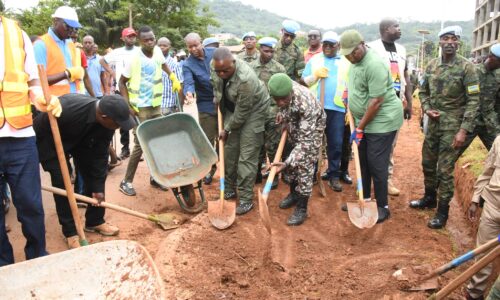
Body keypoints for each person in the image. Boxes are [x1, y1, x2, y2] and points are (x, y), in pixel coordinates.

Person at [35, 94, 133, 249]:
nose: (119, 127)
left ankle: (95, 221)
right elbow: (39, 128)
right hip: (51, 140)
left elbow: (99, 158)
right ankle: (70, 232)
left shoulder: (107, 125)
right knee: (62, 181)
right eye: (118, 123)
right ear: (104, 116)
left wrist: (98, 189)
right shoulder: (68, 109)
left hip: (82, 141)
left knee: (94, 175)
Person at [0, 15, 59, 266]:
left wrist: (41, 98)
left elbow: (32, 80)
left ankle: (37, 258)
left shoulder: (16, 33)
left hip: (20, 137)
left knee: (31, 205)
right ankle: (4, 266)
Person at [409, 26, 480, 229]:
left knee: (445, 170)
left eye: (453, 39)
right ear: (440, 42)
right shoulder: (431, 66)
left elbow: (474, 101)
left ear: (458, 43)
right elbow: (423, 91)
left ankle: (442, 212)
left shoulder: (468, 68)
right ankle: (429, 198)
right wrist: (427, 108)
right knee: (428, 164)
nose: (449, 42)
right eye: (445, 39)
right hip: (433, 124)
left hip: (453, 127)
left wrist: (463, 131)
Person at [339, 29, 403, 224]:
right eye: (347, 53)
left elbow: (376, 101)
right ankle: (364, 198)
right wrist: (347, 93)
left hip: (382, 121)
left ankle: (383, 206)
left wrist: (360, 128)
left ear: (363, 44)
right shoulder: (355, 61)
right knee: (363, 161)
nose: (351, 56)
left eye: (354, 52)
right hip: (365, 121)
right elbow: (355, 83)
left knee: (376, 163)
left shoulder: (374, 64)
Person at [118, 26, 181, 197]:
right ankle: (126, 182)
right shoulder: (134, 58)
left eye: (152, 39)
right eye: (146, 40)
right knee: (140, 145)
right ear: (140, 41)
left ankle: (156, 177)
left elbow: (164, 65)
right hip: (140, 108)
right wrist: (128, 105)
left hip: (155, 105)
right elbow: (121, 83)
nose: (150, 42)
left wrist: (173, 77)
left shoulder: (158, 53)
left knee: (158, 142)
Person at [211, 47, 269, 215]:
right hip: (233, 107)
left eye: (226, 70)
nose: (221, 73)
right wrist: (217, 96)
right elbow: (215, 83)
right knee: (229, 150)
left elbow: (243, 112)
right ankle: (228, 189)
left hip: (254, 111)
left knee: (246, 155)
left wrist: (227, 128)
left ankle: (245, 198)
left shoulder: (245, 80)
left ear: (234, 63)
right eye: (218, 71)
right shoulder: (215, 64)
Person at [268, 73, 326, 226]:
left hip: (312, 130)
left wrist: (286, 163)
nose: (280, 102)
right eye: (277, 100)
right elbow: (284, 104)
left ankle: (302, 208)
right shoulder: (281, 85)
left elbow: (305, 142)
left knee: (304, 165)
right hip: (295, 121)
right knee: (291, 158)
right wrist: (283, 114)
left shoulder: (306, 104)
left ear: (290, 93)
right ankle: (294, 194)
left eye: (283, 99)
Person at [368, 18, 412, 197]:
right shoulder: (372, 48)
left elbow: (406, 76)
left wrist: (409, 102)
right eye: (396, 26)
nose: (400, 29)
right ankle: (366, 180)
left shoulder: (401, 50)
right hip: (376, 103)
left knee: (390, 145)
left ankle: (386, 180)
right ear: (386, 29)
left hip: (395, 104)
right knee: (371, 144)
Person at [301, 31, 350, 192]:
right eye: (325, 45)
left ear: (338, 46)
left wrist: (349, 109)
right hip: (316, 108)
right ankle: (313, 172)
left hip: (337, 108)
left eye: (331, 45)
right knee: (314, 142)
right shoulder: (315, 60)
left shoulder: (346, 62)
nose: (327, 48)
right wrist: (314, 76)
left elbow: (351, 86)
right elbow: (303, 82)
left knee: (335, 144)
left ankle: (334, 175)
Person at [465, 135, 500, 300]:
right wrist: (475, 199)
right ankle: (474, 293)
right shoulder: (499, 140)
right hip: (492, 206)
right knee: (483, 255)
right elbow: (487, 171)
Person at [249, 37, 286, 189]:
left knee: (272, 146)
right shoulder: (250, 67)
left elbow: (285, 93)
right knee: (255, 145)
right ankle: (256, 173)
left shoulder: (279, 69)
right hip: (255, 112)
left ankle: (274, 175)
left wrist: (282, 112)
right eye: (266, 51)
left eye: (272, 51)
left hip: (273, 112)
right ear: (259, 49)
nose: (269, 54)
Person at [183, 32, 218, 185]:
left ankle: (230, 171)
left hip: (225, 100)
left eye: (195, 45)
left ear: (201, 43)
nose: (193, 49)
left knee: (227, 137)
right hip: (206, 103)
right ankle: (209, 169)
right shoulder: (187, 64)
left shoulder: (215, 53)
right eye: (190, 47)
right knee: (208, 139)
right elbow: (188, 81)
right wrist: (189, 92)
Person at [100, 27, 139, 160]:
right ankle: (125, 148)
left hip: (135, 90)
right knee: (123, 120)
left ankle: (137, 150)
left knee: (136, 118)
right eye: (129, 36)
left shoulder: (139, 51)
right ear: (123, 38)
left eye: (133, 36)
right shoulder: (117, 52)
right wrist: (111, 72)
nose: (131, 38)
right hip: (120, 89)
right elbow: (102, 61)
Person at [33, 6, 85, 96]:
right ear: (55, 21)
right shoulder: (41, 45)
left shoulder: (70, 44)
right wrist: (66, 74)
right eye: (68, 26)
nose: (71, 31)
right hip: (54, 102)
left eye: (75, 28)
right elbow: (37, 81)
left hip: (73, 99)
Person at [460, 43, 500, 154]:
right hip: (468, 122)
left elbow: (498, 102)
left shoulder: (498, 76)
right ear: (491, 57)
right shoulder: (471, 72)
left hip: (489, 123)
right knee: (451, 154)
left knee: (498, 152)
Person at [157, 37, 184, 115]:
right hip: (153, 106)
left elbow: (180, 86)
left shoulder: (174, 65)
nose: (161, 47)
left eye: (164, 45)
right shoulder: (151, 62)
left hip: (168, 106)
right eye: (159, 45)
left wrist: (180, 106)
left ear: (169, 47)